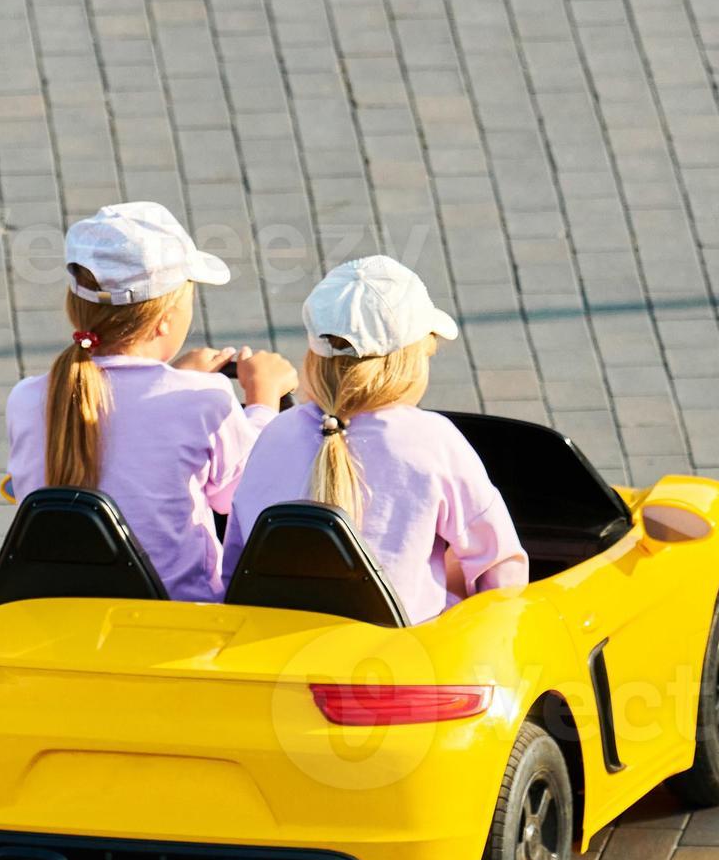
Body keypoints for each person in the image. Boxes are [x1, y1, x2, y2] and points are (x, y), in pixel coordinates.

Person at [3, 203, 296, 602]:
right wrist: (262, 402)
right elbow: (238, 497)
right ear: (164, 321)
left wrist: (181, 376)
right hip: (179, 614)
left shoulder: (28, 398)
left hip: (61, 607)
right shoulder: (204, 398)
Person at [222, 256, 527, 620]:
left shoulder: (274, 435)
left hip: (278, 647)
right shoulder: (434, 441)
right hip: (404, 655)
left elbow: (238, 563)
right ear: (409, 362)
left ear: (314, 357)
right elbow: (500, 569)